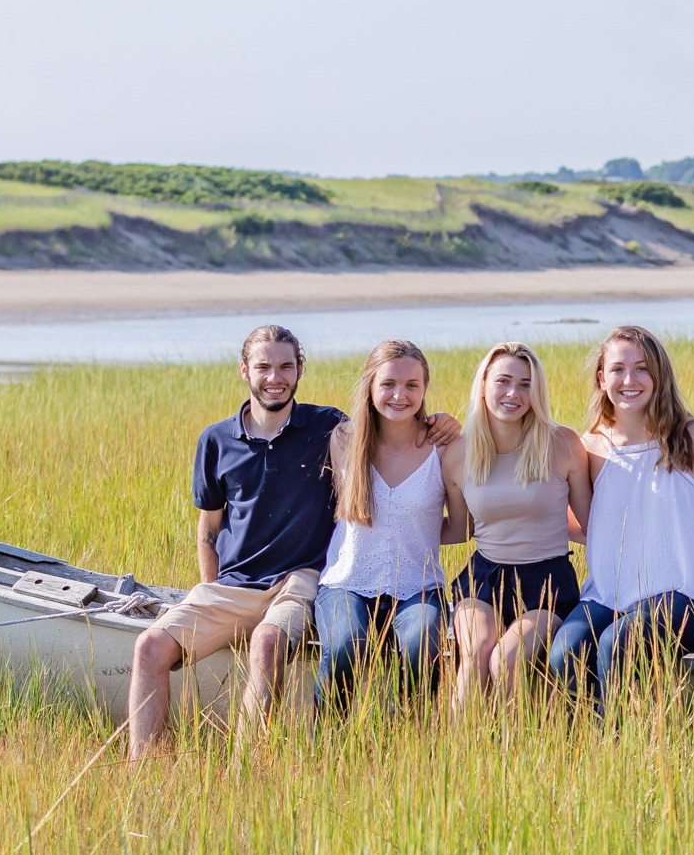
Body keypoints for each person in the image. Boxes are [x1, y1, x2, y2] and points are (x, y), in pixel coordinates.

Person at [127, 323, 343, 759]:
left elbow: (390, 425)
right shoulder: (215, 440)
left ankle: (246, 768)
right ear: (245, 370)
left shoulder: (329, 426)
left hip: (298, 582)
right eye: (264, 366)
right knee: (148, 646)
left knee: (266, 642)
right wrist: (206, 588)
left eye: (286, 366)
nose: (275, 377)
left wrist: (438, 425)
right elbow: (209, 527)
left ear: (300, 370)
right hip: (232, 585)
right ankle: (144, 771)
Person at [549, 324, 694, 709]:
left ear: (659, 376)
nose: (629, 380)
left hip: (686, 598)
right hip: (610, 594)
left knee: (617, 643)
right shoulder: (590, 446)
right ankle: (586, 743)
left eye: (642, 369)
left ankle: (616, 749)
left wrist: (681, 519)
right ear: (602, 379)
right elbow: (581, 522)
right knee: (566, 651)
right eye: (618, 369)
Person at [314, 339, 468, 704]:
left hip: (418, 587)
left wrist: (415, 534)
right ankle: (328, 747)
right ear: (370, 386)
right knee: (344, 649)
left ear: (425, 389)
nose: (400, 395)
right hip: (345, 583)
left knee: (420, 646)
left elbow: (460, 527)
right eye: (388, 384)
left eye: (412, 385)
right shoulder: (346, 439)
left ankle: (409, 742)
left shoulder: (444, 448)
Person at [446, 341, 595, 712]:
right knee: (477, 652)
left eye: (526, 384)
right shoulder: (457, 453)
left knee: (506, 659)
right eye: (504, 381)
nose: (513, 393)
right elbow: (461, 529)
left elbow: (593, 524)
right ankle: (458, 755)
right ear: (483, 385)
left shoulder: (562, 443)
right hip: (482, 580)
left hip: (547, 582)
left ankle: (511, 756)